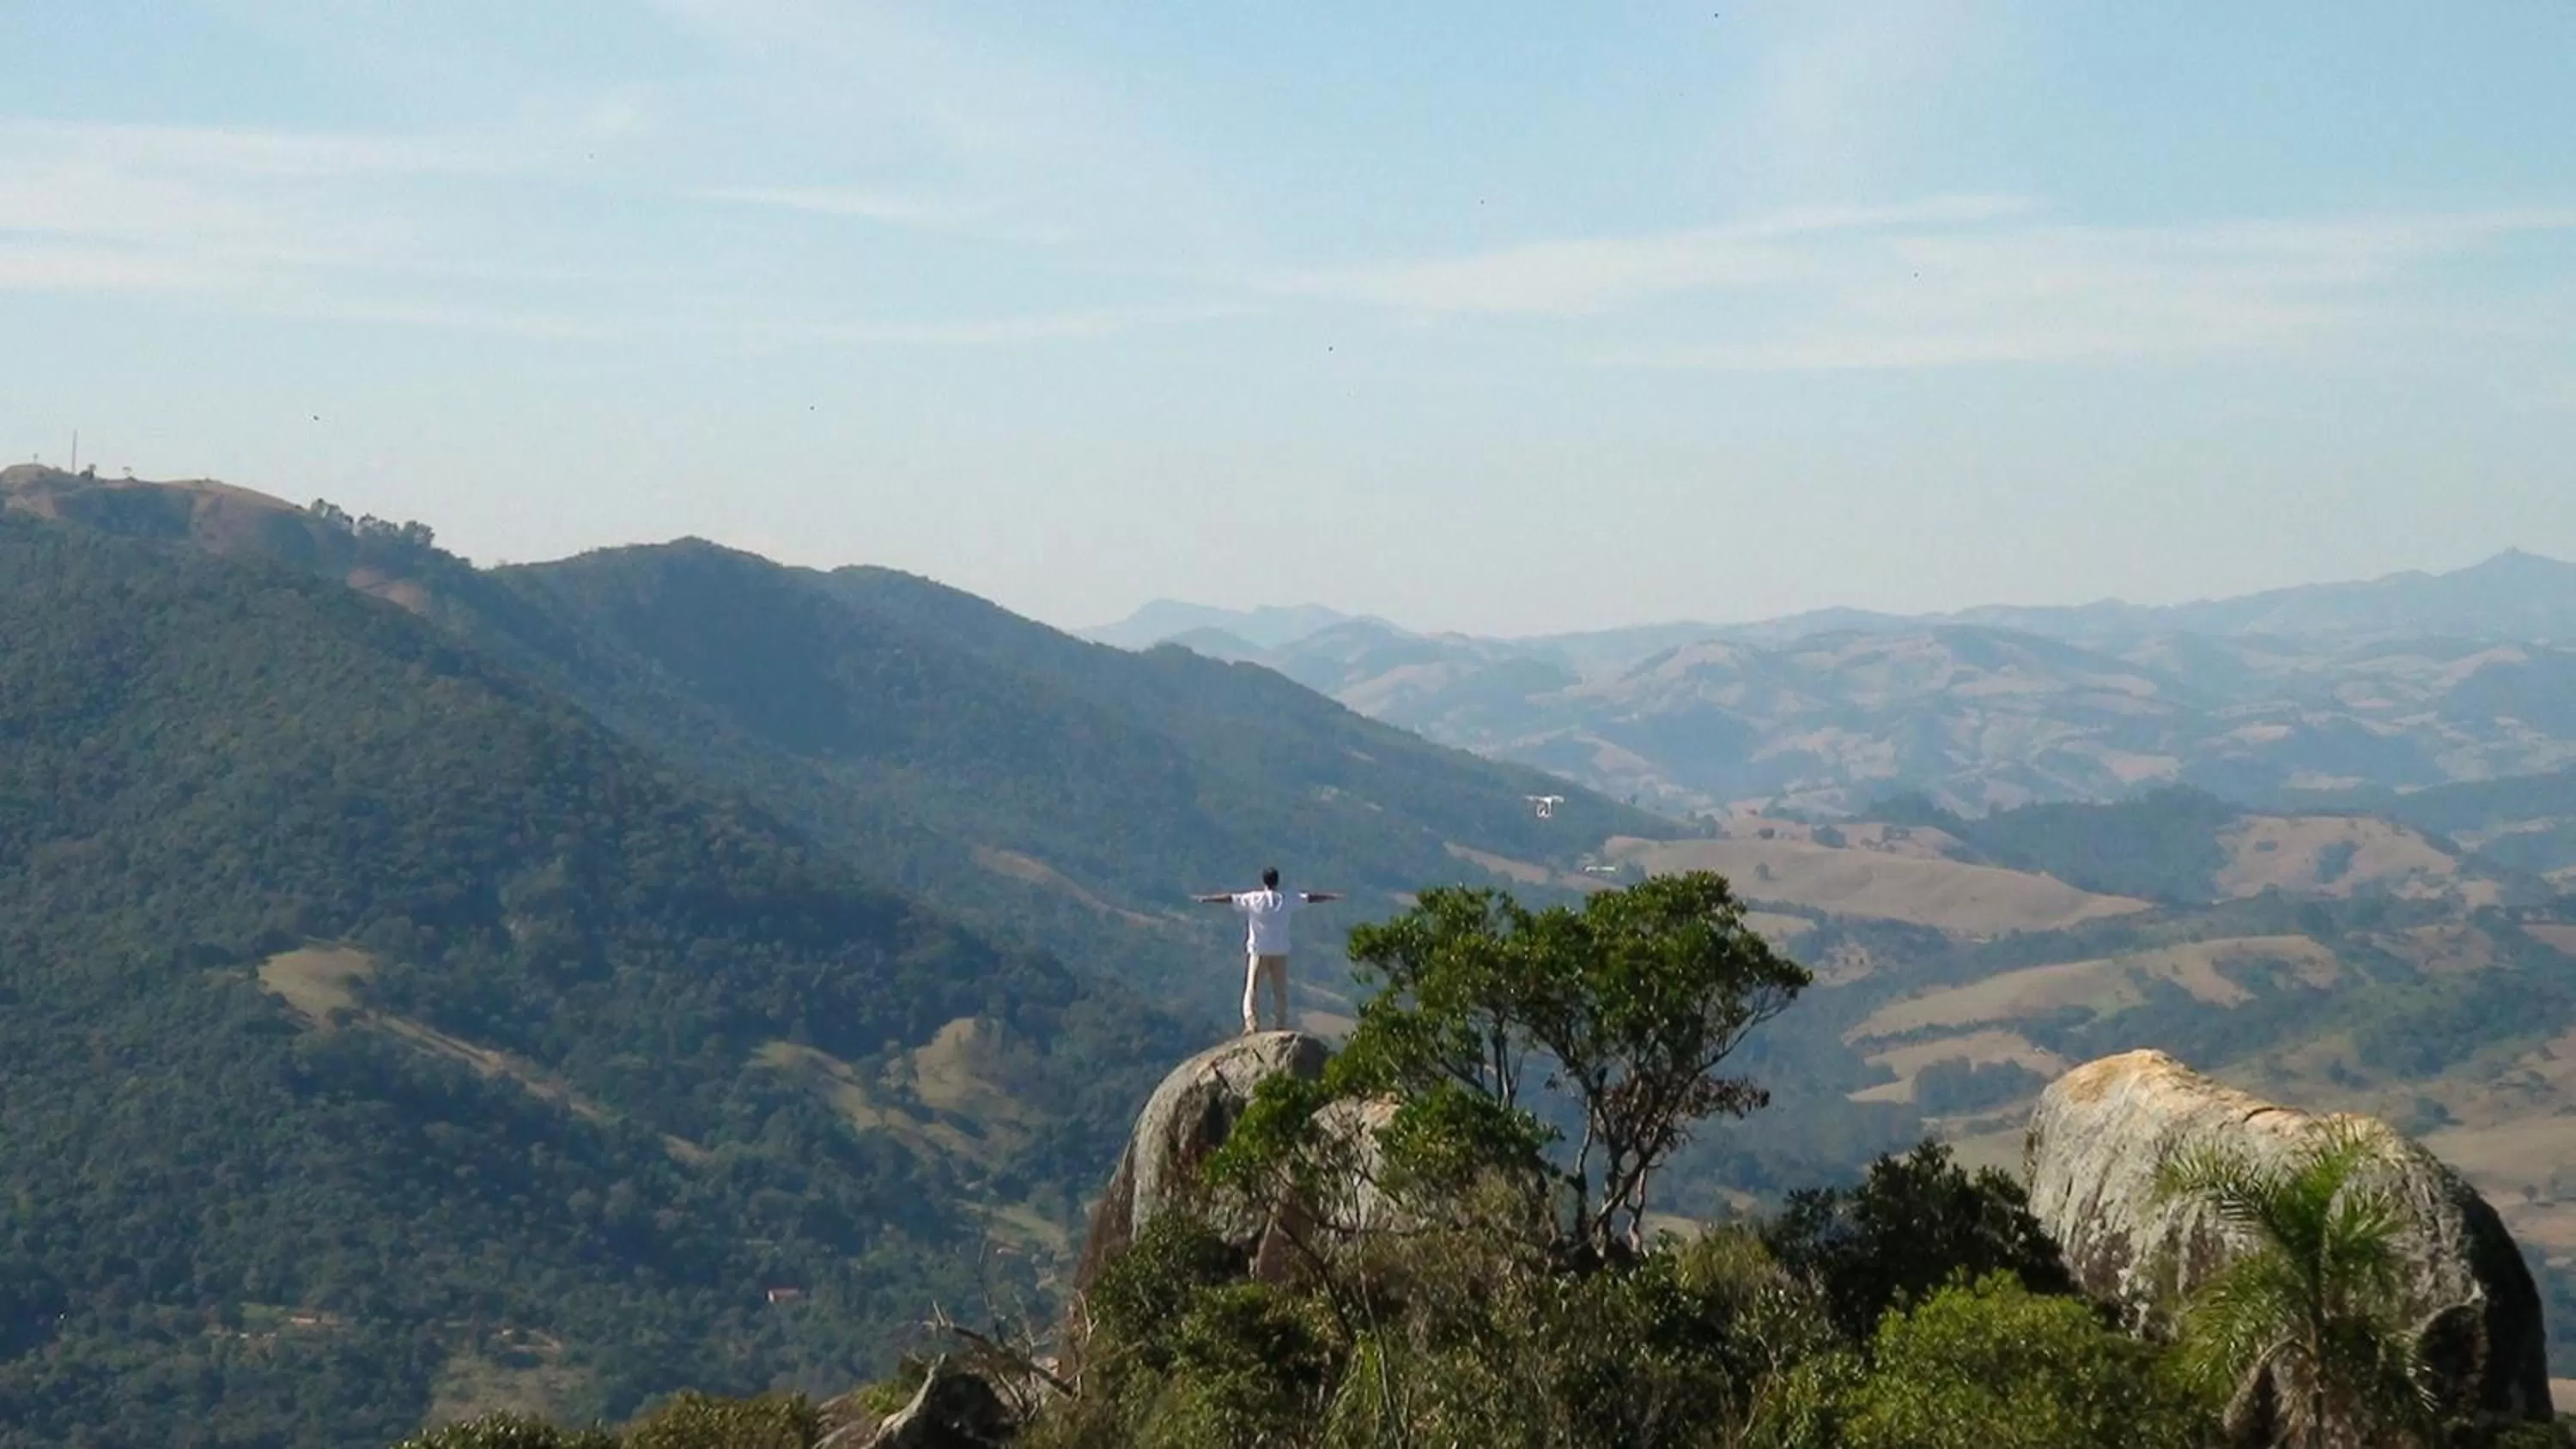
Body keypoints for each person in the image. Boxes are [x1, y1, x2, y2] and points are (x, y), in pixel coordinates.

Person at [1194, 867, 1340, 1035]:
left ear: (1263, 881)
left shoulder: (1254, 898)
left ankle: (1252, 1024)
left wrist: (1207, 899)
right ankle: (1280, 1024)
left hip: (1259, 951)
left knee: (1253, 989)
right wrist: (1330, 896)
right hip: (1280, 950)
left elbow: (1229, 898)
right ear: (1277, 881)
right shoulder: (1287, 898)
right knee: (1280, 991)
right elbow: (1311, 897)